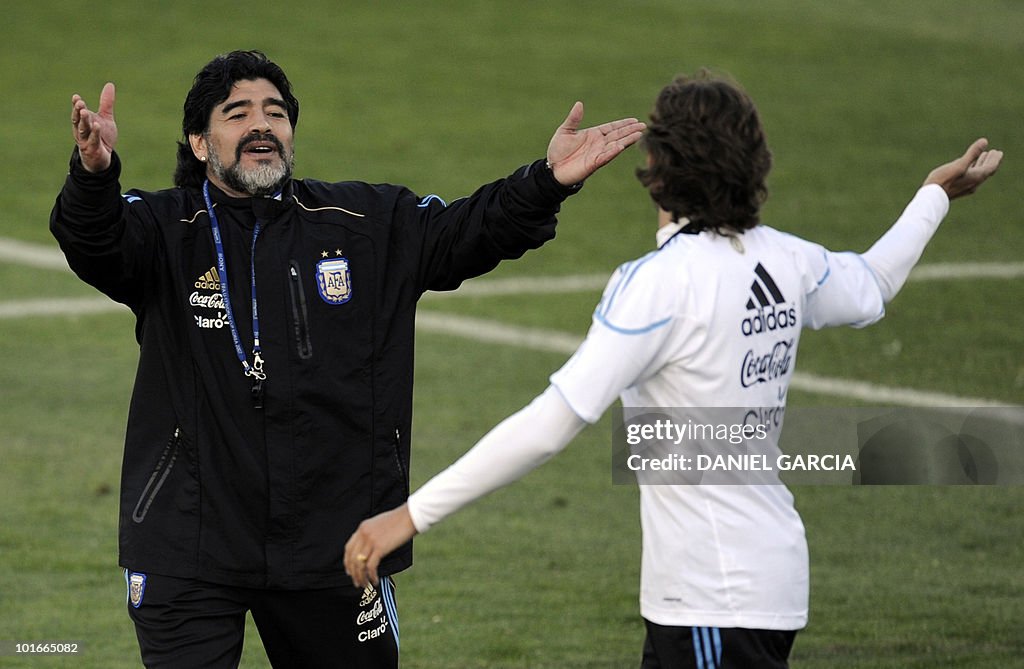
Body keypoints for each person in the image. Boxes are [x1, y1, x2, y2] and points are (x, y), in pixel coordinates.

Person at [343, 70, 1003, 668]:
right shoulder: (786, 260)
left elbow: (550, 425)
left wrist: (410, 514)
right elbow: (873, 286)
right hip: (758, 579)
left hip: (714, 596)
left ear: (656, 166)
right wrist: (934, 195)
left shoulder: (657, 285)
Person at [50, 49, 645, 668]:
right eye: (238, 114)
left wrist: (546, 182)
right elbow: (94, 241)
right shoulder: (164, 229)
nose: (262, 125)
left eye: (276, 113)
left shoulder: (363, 223)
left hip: (335, 540)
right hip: (189, 541)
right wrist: (94, 174)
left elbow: (470, 231)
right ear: (200, 143)